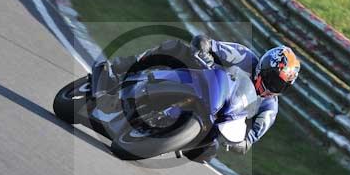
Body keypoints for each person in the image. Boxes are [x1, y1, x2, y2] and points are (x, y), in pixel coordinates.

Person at [110, 34, 301, 155]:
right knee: (175, 48)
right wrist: (204, 49)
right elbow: (208, 43)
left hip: (216, 122)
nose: (272, 87)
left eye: (280, 85)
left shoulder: (270, 108)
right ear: (263, 67)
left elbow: (250, 140)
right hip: (202, 84)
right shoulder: (244, 56)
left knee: (207, 152)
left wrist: (240, 144)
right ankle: (122, 67)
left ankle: (168, 137)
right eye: (273, 79)